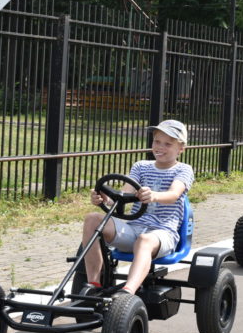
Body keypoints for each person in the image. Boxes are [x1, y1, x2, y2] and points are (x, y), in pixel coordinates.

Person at [79, 119, 194, 296]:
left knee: (144, 240)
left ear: (181, 149)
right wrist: (105, 199)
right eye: (157, 141)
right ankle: (93, 285)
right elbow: (125, 194)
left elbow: (174, 194)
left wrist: (154, 196)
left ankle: (127, 293)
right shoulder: (141, 166)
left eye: (167, 144)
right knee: (92, 219)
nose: (160, 147)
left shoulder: (183, 170)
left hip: (163, 232)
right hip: (133, 229)